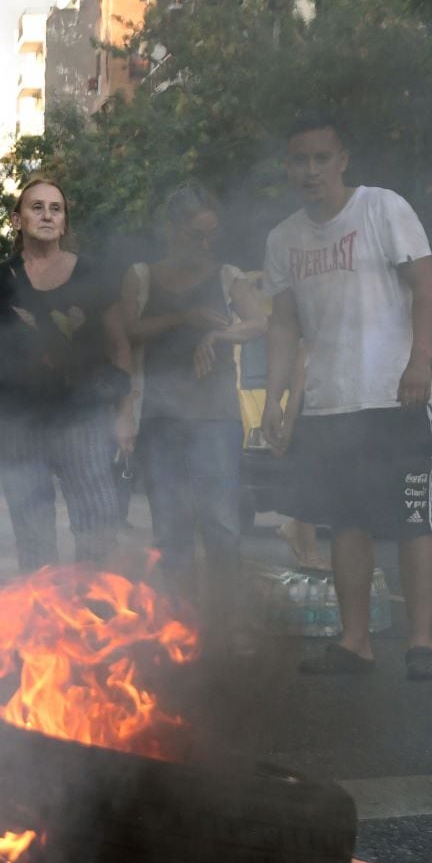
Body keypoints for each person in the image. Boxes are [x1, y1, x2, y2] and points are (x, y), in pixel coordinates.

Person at [261, 112, 432, 680]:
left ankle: (421, 644)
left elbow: (427, 287)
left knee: (414, 520)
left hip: (396, 397)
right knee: (347, 522)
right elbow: (286, 326)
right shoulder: (283, 238)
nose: (311, 170)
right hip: (328, 403)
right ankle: (356, 642)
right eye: (300, 160)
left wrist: (417, 364)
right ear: (287, 167)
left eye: (322, 158)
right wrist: (275, 399)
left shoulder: (382, 208)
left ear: (342, 160)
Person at [0, 175, 133, 572]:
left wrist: (126, 416)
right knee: (33, 533)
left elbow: (120, 349)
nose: (46, 215)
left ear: (64, 222)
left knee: (97, 523)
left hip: (86, 418)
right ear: (17, 219)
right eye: (36, 207)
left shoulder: (94, 275)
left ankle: (93, 616)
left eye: (55, 208)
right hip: (18, 424)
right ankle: (46, 623)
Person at [122, 184, 266, 633]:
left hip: (215, 420)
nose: (203, 245)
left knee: (222, 526)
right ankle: (180, 628)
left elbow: (261, 321)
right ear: (171, 229)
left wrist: (218, 335)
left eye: (209, 235)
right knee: (170, 530)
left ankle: (224, 625)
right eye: (194, 235)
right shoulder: (142, 276)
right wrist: (186, 319)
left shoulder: (227, 276)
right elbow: (129, 331)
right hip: (160, 421)